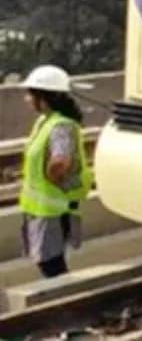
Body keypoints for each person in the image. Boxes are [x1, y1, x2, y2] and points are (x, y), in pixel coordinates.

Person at [18, 65, 93, 279]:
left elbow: (61, 161)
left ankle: (69, 297)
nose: (27, 99)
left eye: (30, 95)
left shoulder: (61, 126)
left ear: (44, 98)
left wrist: (53, 175)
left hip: (53, 210)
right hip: (42, 210)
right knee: (50, 264)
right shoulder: (46, 121)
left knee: (51, 266)